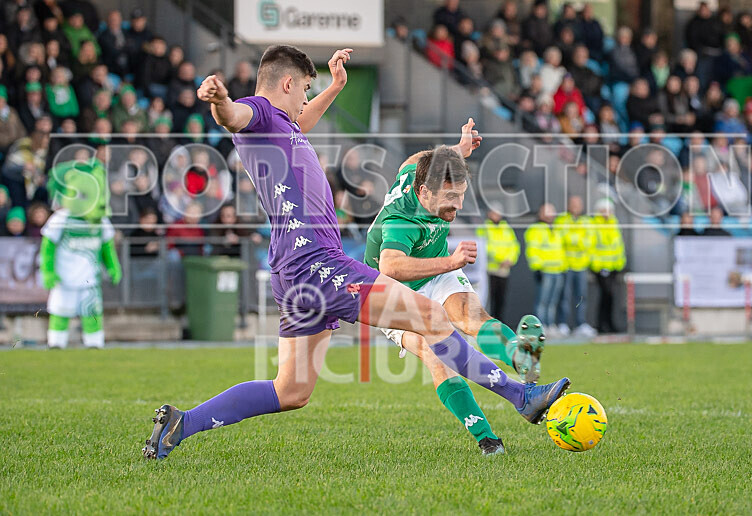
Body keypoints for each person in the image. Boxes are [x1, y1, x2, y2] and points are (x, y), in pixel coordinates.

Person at [143, 45, 569, 460]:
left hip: (294, 270)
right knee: (432, 317)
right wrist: (221, 102)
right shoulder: (259, 111)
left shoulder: (283, 125)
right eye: (307, 88)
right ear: (287, 83)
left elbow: (300, 119)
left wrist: (336, 86)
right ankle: (522, 396)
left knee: (291, 391)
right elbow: (235, 116)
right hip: (317, 263)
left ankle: (184, 422)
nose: (308, 98)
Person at [363, 137, 547, 454]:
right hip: (388, 291)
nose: (458, 205)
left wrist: (456, 152)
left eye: (461, 196)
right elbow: (390, 265)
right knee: (437, 354)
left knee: (471, 315)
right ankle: (487, 439)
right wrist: (451, 261)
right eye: (450, 197)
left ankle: (519, 356)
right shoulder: (400, 222)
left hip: (434, 269)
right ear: (424, 193)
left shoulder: (415, 173)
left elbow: (414, 159)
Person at [40, 159, 121, 349]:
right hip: (64, 277)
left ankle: (94, 344)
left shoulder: (100, 222)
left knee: (92, 311)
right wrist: (48, 271)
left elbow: (107, 247)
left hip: (89, 279)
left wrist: (113, 267)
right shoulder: (61, 219)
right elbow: (48, 247)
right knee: (60, 310)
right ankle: (56, 343)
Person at [554, 196, 597, 337]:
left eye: (578, 204)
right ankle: (563, 324)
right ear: (568, 205)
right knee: (564, 297)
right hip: (566, 265)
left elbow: (590, 240)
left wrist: (574, 240)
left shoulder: (587, 221)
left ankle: (581, 323)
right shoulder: (562, 220)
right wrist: (578, 240)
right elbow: (561, 239)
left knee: (581, 297)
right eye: (573, 204)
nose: (575, 207)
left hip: (581, 265)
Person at [525, 203, 566, 337]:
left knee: (553, 301)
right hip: (545, 270)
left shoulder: (556, 228)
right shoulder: (535, 229)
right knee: (542, 301)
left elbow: (560, 250)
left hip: (557, 270)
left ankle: (550, 324)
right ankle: (540, 326)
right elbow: (532, 250)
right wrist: (537, 268)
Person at [476, 208, 520, 322]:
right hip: (489, 270)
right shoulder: (484, 228)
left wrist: (510, 260)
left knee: (501, 299)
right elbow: (483, 247)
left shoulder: (506, 228)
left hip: (503, 270)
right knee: (488, 299)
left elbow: (514, 246)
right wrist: (499, 259)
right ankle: (487, 324)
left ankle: (499, 324)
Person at [591, 198, 626, 334]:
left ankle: (609, 324)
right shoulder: (594, 225)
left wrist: (620, 264)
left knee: (611, 297)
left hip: (613, 267)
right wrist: (597, 266)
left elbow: (618, 247)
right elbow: (593, 247)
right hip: (601, 267)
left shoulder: (614, 225)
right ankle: (602, 324)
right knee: (605, 296)